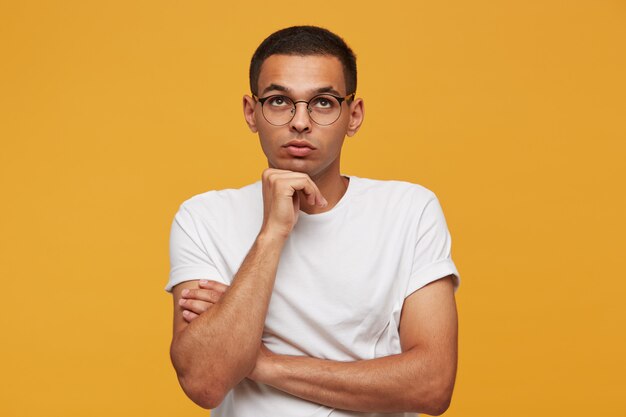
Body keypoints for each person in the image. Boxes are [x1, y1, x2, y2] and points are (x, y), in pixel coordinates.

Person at [165, 25, 460, 417]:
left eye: (322, 102)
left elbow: (432, 385)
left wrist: (261, 363)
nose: (300, 122)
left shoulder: (410, 209)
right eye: (278, 101)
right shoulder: (203, 218)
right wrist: (272, 234)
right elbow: (205, 380)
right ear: (251, 113)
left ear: (353, 115)